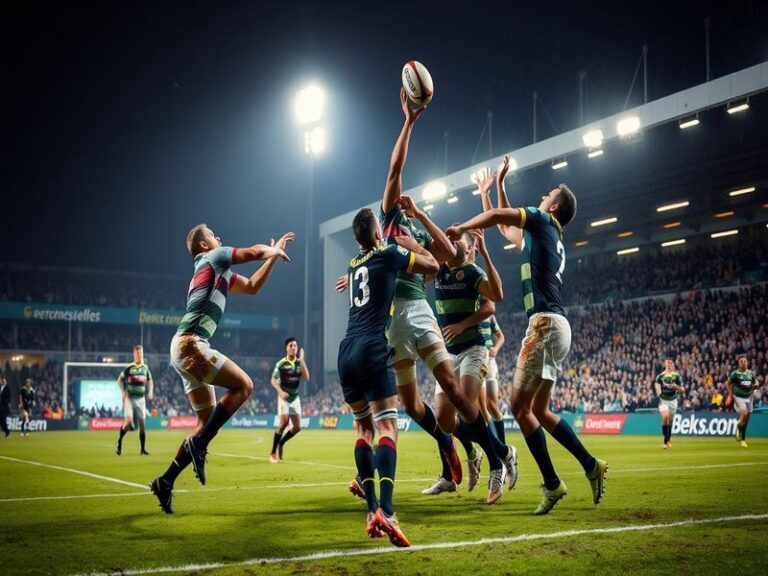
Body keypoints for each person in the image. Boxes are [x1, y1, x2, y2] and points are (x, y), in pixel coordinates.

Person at [446, 155, 606, 515]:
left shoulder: (542, 220)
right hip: (557, 325)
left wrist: (462, 228)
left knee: (520, 408)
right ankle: (590, 465)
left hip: (545, 325)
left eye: (548, 195)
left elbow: (497, 218)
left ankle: (552, 483)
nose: (542, 196)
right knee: (539, 411)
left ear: (555, 206)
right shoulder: (545, 235)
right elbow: (505, 228)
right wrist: (495, 188)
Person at [149, 224, 292, 514]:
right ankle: (199, 444)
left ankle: (165, 481)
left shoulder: (218, 272)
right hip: (192, 344)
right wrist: (272, 250)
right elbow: (253, 252)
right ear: (204, 245)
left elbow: (252, 287)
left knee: (205, 423)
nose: (219, 237)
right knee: (244, 386)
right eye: (213, 235)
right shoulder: (213, 257)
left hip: (183, 347)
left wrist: (273, 258)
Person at [337, 207, 439, 547]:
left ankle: (371, 511)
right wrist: (414, 246)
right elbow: (433, 267)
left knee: (363, 431)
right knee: (387, 428)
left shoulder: (352, 265)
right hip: (371, 346)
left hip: (346, 351)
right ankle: (389, 510)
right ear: (379, 234)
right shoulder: (388, 254)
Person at [425, 228, 517, 503]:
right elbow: (420, 261)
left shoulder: (473, 271)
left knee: (467, 407)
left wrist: (462, 325)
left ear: (468, 248)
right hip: (447, 353)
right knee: (444, 420)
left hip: (473, 348)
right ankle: (504, 451)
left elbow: (495, 298)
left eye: (457, 240)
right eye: (450, 240)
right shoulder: (438, 269)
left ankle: (496, 467)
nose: (452, 243)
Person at [269, 337, 310, 463]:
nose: (293, 347)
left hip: (295, 398)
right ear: (286, 348)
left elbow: (306, 378)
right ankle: (273, 453)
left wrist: (302, 360)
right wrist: (280, 392)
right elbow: (273, 380)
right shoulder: (281, 364)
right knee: (284, 423)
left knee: (297, 427)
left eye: (295, 345)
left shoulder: (299, 363)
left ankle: (281, 442)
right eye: (291, 345)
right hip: (284, 397)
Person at [116, 345, 154, 456]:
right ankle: (119, 441)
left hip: (141, 399)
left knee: (142, 425)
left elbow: (150, 381)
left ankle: (142, 450)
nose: (139, 355)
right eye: (137, 353)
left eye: (141, 353)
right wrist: (123, 391)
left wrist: (150, 391)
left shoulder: (145, 368)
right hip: (129, 398)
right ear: (134, 354)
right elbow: (119, 380)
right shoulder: (129, 368)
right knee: (128, 422)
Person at [725, 354, 762, 448]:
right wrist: (731, 396)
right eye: (741, 361)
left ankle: (743, 440)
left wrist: (756, 386)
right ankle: (738, 426)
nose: (744, 363)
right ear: (738, 363)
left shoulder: (751, 374)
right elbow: (727, 384)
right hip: (739, 398)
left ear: (747, 363)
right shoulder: (735, 374)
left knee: (746, 419)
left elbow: (756, 383)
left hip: (749, 398)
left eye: (745, 361)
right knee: (744, 414)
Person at [654, 358, 685, 449]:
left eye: (671, 363)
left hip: (673, 401)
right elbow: (657, 386)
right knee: (665, 416)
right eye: (668, 363)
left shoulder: (677, 376)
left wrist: (676, 387)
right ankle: (665, 441)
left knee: (670, 421)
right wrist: (659, 392)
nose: (670, 365)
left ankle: (667, 440)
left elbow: (682, 390)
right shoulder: (660, 376)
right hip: (663, 400)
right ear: (665, 364)